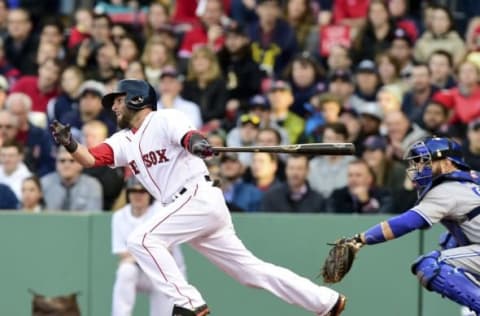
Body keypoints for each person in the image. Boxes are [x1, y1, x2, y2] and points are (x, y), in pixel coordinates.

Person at [49, 79, 346, 316]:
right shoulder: (124, 141)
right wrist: (70, 143)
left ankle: (189, 303)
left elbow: (188, 136)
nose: (112, 107)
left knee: (141, 240)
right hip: (187, 208)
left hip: (196, 196)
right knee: (250, 272)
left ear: (136, 99)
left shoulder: (164, 118)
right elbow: (88, 159)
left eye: (117, 100)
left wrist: (199, 144)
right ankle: (325, 301)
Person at [334, 136, 480, 313]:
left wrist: (359, 239)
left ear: (447, 163)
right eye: (417, 162)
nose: (418, 168)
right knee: (450, 240)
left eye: (425, 162)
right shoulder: (472, 180)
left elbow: (406, 223)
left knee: (431, 265)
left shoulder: (445, 189)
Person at [112, 177, 186, 316]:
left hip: (166, 273)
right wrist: (147, 252)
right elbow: (122, 254)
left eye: (143, 192)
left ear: (150, 194)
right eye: (133, 191)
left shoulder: (161, 210)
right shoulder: (119, 216)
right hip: (139, 271)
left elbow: (166, 250)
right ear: (128, 193)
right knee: (125, 271)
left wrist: (135, 255)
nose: (138, 195)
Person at [259, 154, 326, 213]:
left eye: (299, 168)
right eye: (291, 168)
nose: (295, 173)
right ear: (286, 170)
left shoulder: (318, 200)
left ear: (307, 171)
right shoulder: (271, 197)